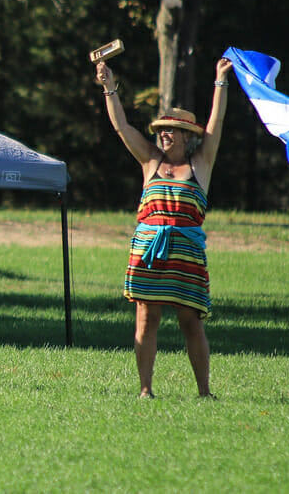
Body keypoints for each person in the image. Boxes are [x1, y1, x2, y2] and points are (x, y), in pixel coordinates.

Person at [96, 57, 233, 398]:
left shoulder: (201, 164)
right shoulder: (150, 161)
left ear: (188, 136)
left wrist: (220, 81)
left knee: (191, 322)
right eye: (161, 130)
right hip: (149, 252)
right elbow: (122, 128)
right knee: (146, 318)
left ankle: (204, 391)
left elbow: (216, 125)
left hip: (185, 255)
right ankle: (145, 389)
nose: (164, 134)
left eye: (171, 130)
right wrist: (108, 87)